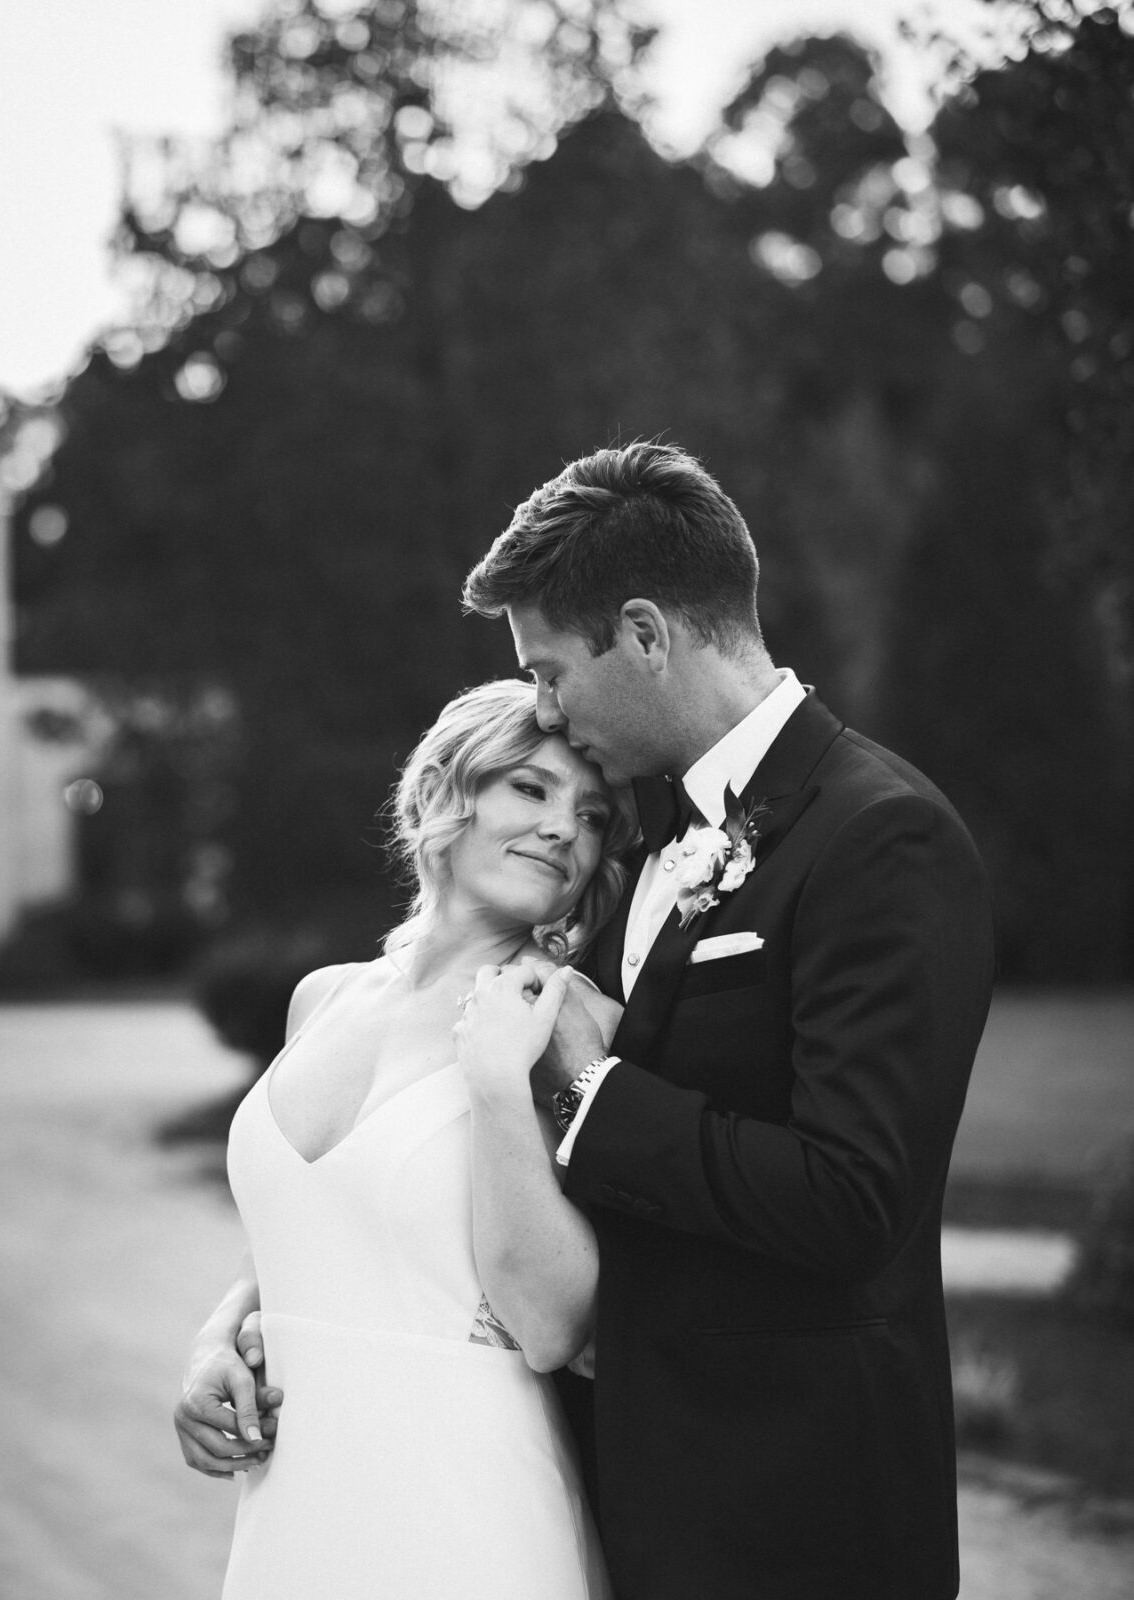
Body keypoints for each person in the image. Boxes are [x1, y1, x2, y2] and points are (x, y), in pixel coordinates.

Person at [457, 441, 994, 1600]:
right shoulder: (637, 843)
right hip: (624, 1512)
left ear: (645, 633)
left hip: (801, 1529)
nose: (542, 709)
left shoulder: (881, 837)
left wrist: (598, 1098)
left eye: (551, 671)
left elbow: (856, 1198)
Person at [173, 678, 635, 1598]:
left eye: (590, 816)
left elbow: (555, 1325)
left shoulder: (566, 1021)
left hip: (465, 1508)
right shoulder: (322, 997)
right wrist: (216, 1339)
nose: (563, 831)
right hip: (295, 1505)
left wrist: (500, 1086)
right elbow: (320, 1227)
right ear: (438, 793)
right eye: (530, 789)